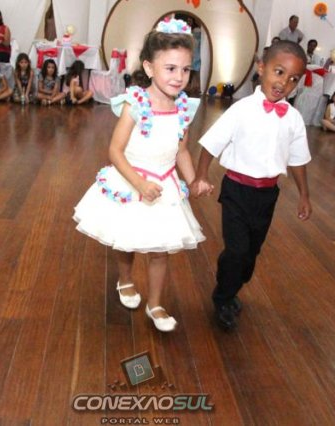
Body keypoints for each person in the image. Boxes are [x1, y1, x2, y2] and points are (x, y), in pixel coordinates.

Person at [73, 18, 203, 332]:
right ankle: (125, 279)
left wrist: (193, 179)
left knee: (160, 250)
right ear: (149, 67)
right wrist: (140, 184)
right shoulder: (135, 104)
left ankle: (155, 303)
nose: (179, 77)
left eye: (185, 69)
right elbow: (115, 150)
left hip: (164, 186)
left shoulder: (183, 109)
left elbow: (181, 150)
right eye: (170, 68)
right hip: (133, 180)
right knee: (127, 238)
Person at [190, 41, 311, 331]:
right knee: (236, 250)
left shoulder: (293, 119)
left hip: (267, 195)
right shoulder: (241, 110)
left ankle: (232, 285)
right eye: (279, 72)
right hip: (236, 190)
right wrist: (201, 175)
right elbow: (211, 144)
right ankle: (223, 298)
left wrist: (304, 196)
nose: (284, 83)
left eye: (293, 79)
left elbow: (298, 161)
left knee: (251, 253)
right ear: (261, 68)